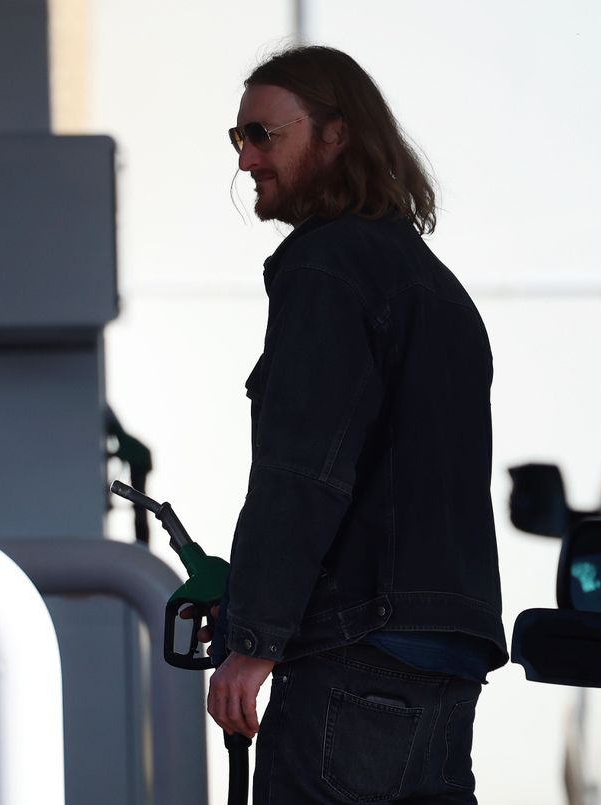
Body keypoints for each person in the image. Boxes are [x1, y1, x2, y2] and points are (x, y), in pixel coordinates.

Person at [207, 45, 507, 804]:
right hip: (445, 662)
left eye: (263, 135)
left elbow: (304, 470)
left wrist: (254, 641)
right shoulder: (430, 282)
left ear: (335, 134)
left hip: (357, 654)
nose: (245, 159)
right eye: (238, 137)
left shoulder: (327, 267)